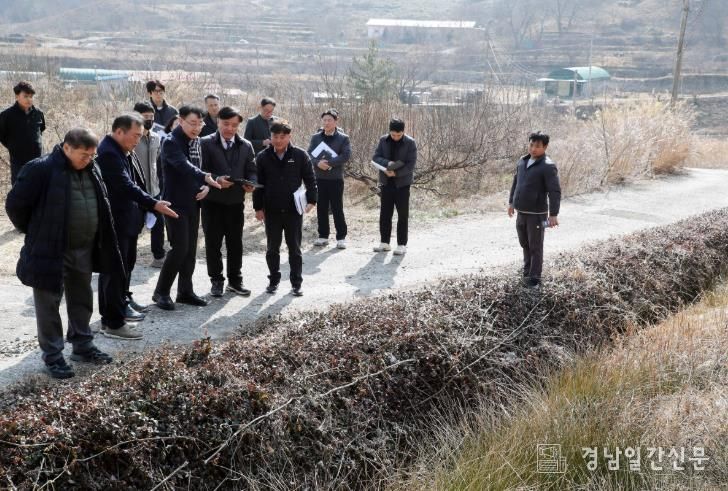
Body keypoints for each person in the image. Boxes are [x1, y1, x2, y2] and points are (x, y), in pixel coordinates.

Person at [5, 128, 118, 378]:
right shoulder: (41, 169)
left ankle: (83, 345)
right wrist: (36, 231)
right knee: (48, 304)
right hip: (50, 249)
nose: (88, 159)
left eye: (92, 155)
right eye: (83, 155)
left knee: (82, 299)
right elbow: (15, 204)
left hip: (84, 248)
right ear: (67, 147)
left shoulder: (93, 168)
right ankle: (53, 356)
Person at [96, 114, 178, 339]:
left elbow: (137, 181)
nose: (137, 140)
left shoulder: (123, 150)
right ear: (119, 131)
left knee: (124, 268)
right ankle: (112, 323)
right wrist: (153, 203)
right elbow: (124, 185)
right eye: (135, 136)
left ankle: (120, 308)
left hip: (128, 220)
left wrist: (147, 206)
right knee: (114, 271)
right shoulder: (108, 153)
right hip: (116, 221)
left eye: (140, 136)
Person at [152, 105, 222, 310]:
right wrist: (205, 177)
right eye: (192, 123)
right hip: (174, 203)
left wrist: (205, 186)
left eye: (200, 124)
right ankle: (161, 292)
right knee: (179, 248)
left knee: (190, 249)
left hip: (193, 202)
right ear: (181, 121)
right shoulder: (170, 142)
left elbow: (199, 169)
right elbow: (184, 166)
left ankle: (185, 291)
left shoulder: (196, 142)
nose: (197, 128)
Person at [253, 121, 316, 296]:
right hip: (271, 209)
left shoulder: (300, 155)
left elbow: (310, 179)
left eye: (283, 137)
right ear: (270, 137)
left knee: (294, 248)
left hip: (293, 210)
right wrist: (258, 208)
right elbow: (257, 184)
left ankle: (296, 283)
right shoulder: (263, 157)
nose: (279, 140)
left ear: (289, 136)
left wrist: (312, 200)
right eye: (275, 136)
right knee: (272, 248)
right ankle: (273, 280)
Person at [200, 106, 257, 297]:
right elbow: (199, 170)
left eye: (234, 125)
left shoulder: (246, 145)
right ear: (218, 122)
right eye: (226, 124)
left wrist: (251, 183)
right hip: (212, 202)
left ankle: (235, 281)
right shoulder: (205, 143)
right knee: (213, 244)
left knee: (235, 244)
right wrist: (216, 180)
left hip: (235, 203)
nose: (230, 129)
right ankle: (216, 280)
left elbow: (252, 170)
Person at [507, 132, 561, 288]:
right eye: (531, 145)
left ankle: (534, 278)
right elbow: (516, 183)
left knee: (535, 246)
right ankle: (527, 271)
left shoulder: (548, 166)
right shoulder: (522, 161)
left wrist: (553, 214)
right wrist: (511, 203)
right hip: (521, 212)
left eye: (537, 146)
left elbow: (554, 191)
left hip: (537, 215)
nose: (533, 149)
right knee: (524, 243)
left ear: (545, 147)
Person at [372, 118, 417, 256]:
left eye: (399, 135)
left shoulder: (410, 142)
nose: (396, 137)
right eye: (393, 135)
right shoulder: (383, 140)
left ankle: (402, 244)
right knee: (385, 214)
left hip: (402, 184)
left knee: (402, 215)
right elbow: (376, 157)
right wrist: (387, 163)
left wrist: (396, 173)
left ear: (403, 132)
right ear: (389, 131)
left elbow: (411, 164)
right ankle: (384, 243)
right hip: (386, 183)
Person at [307, 109, 351, 249]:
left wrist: (329, 163)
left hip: (335, 178)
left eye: (329, 120)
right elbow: (309, 154)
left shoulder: (343, 138)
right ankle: (323, 236)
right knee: (321, 207)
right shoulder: (316, 137)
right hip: (319, 177)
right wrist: (317, 163)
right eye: (324, 120)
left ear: (336, 121)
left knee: (337, 208)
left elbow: (345, 156)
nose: (326, 123)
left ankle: (341, 237)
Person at [133, 102, 166, 267]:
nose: (149, 120)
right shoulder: (132, 138)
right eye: (145, 117)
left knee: (159, 224)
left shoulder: (156, 138)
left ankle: (159, 257)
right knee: (134, 226)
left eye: (151, 117)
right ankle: (128, 257)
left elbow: (157, 163)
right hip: (136, 191)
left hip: (154, 190)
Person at [0, 81, 46, 185]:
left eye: (31, 96)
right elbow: (2, 135)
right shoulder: (6, 115)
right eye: (25, 96)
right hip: (18, 161)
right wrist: (13, 146)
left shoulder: (38, 113)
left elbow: (41, 130)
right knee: (19, 189)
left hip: (37, 160)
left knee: (38, 188)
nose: (29, 99)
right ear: (17, 96)